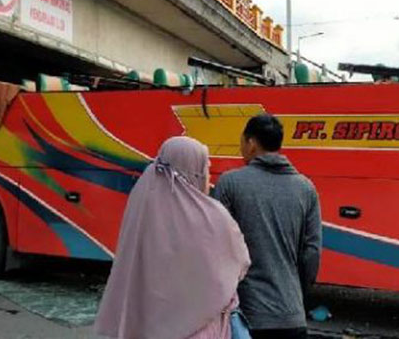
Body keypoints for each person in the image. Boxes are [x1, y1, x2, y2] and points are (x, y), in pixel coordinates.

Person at [95, 137, 251, 339]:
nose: (208, 180)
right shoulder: (213, 218)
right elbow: (239, 264)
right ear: (193, 172)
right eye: (204, 170)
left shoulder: (143, 208)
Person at [214, 113, 322, 339]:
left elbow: (218, 250)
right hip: (292, 317)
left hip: (246, 319)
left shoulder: (230, 183)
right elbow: (311, 254)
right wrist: (295, 294)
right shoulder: (306, 188)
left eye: (242, 142)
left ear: (251, 143)